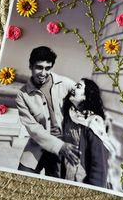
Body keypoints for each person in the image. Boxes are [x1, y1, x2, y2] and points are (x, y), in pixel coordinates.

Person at [16, 46, 80, 177]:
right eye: (39, 67)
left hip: (66, 147)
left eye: (48, 68)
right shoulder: (22, 95)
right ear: (30, 66)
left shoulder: (66, 84)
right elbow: (33, 128)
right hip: (38, 146)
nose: (43, 73)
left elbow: (87, 98)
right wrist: (59, 146)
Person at [62, 78, 115, 188]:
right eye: (75, 85)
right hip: (68, 177)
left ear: (86, 96)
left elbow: (99, 165)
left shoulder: (92, 123)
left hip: (84, 182)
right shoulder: (69, 116)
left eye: (79, 86)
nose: (73, 87)